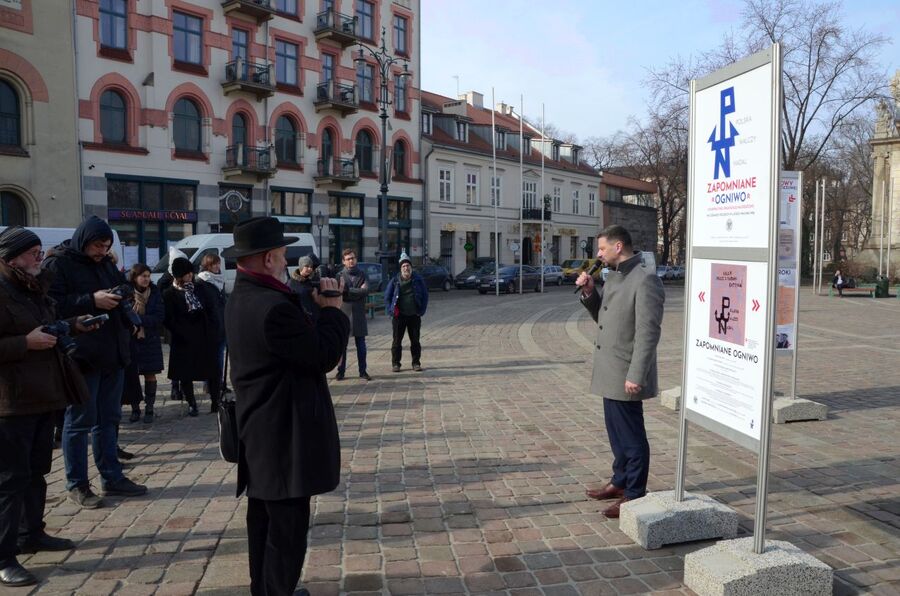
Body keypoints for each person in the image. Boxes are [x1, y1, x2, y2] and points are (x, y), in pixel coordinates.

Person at [223, 217, 349, 596]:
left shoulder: (243, 297)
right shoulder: (272, 307)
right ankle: (276, 590)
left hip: (260, 430)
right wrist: (332, 310)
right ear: (265, 259)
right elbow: (322, 355)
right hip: (283, 435)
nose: (287, 265)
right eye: (281, 256)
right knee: (286, 529)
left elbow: (289, 349)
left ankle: (264, 588)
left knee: (262, 520)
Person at [0, 227, 101, 586]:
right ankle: (4, 555)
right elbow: (22, 338)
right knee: (10, 480)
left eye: (40, 252)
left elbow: (48, 325)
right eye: (32, 254)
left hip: (44, 394)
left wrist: (74, 324)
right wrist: (22, 343)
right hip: (10, 402)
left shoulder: (33, 286)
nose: (39, 259)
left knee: (36, 471)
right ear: (11, 257)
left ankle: (32, 534)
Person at [43, 216, 147, 508]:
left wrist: (123, 292)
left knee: (109, 420)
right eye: (98, 245)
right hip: (82, 355)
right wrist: (91, 300)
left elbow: (119, 289)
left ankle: (111, 477)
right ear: (83, 240)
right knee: (78, 423)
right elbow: (51, 306)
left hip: (112, 353)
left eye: (106, 246)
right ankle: (77, 484)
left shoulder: (105, 263)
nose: (102, 251)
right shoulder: (59, 264)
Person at [576, 225, 665, 519]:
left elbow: (648, 332)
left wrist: (637, 373)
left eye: (601, 249)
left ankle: (635, 493)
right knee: (616, 432)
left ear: (618, 247)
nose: (598, 254)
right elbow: (605, 317)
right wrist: (590, 293)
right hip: (609, 368)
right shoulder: (614, 276)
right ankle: (619, 481)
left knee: (631, 436)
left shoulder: (645, 279)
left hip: (626, 370)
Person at [162, 257, 221, 417]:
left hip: (204, 336)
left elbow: (212, 309)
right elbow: (168, 318)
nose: (189, 277)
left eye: (190, 273)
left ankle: (216, 402)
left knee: (212, 371)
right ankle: (191, 403)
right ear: (178, 276)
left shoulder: (201, 288)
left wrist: (212, 329)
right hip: (184, 339)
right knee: (185, 373)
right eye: (186, 274)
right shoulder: (169, 294)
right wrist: (181, 331)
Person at [122, 264, 164, 423]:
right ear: (134, 277)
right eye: (143, 276)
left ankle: (150, 408)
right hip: (132, 339)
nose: (146, 279)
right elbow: (124, 315)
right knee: (133, 374)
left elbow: (159, 316)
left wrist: (139, 320)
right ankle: (135, 409)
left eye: (148, 276)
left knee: (150, 373)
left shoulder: (155, 293)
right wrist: (134, 321)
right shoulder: (127, 293)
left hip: (150, 339)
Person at [384, 252, 428, 372]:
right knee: (397, 341)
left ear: (411, 268)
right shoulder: (395, 281)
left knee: (415, 341)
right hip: (399, 316)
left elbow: (425, 296)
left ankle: (416, 363)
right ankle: (396, 364)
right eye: (403, 266)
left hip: (414, 315)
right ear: (400, 268)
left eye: (408, 266)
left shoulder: (418, 279)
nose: (406, 268)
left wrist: (421, 310)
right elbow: (387, 297)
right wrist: (391, 311)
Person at [197, 253, 230, 397]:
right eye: (214, 264)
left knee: (220, 357)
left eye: (218, 263)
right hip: (210, 327)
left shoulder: (219, 280)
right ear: (207, 266)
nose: (217, 267)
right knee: (213, 357)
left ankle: (219, 383)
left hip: (222, 324)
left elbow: (222, 302)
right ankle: (210, 384)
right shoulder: (202, 282)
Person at [336, 249, 370, 381]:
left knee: (361, 345)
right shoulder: (339, 275)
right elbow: (341, 292)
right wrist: (356, 291)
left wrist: (348, 292)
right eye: (348, 259)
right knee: (342, 346)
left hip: (359, 314)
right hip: (344, 314)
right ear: (343, 261)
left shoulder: (362, 274)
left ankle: (363, 371)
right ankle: (341, 371)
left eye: (353, 258)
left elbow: (366, 291)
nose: (351, 260)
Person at [289, 254, 321, 322]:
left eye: (311, 266)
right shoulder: (291, 283)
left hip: (314, 318)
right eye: (306, 266)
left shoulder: (313, 280)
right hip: (300, 319)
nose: (310, 269)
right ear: (301, 267)